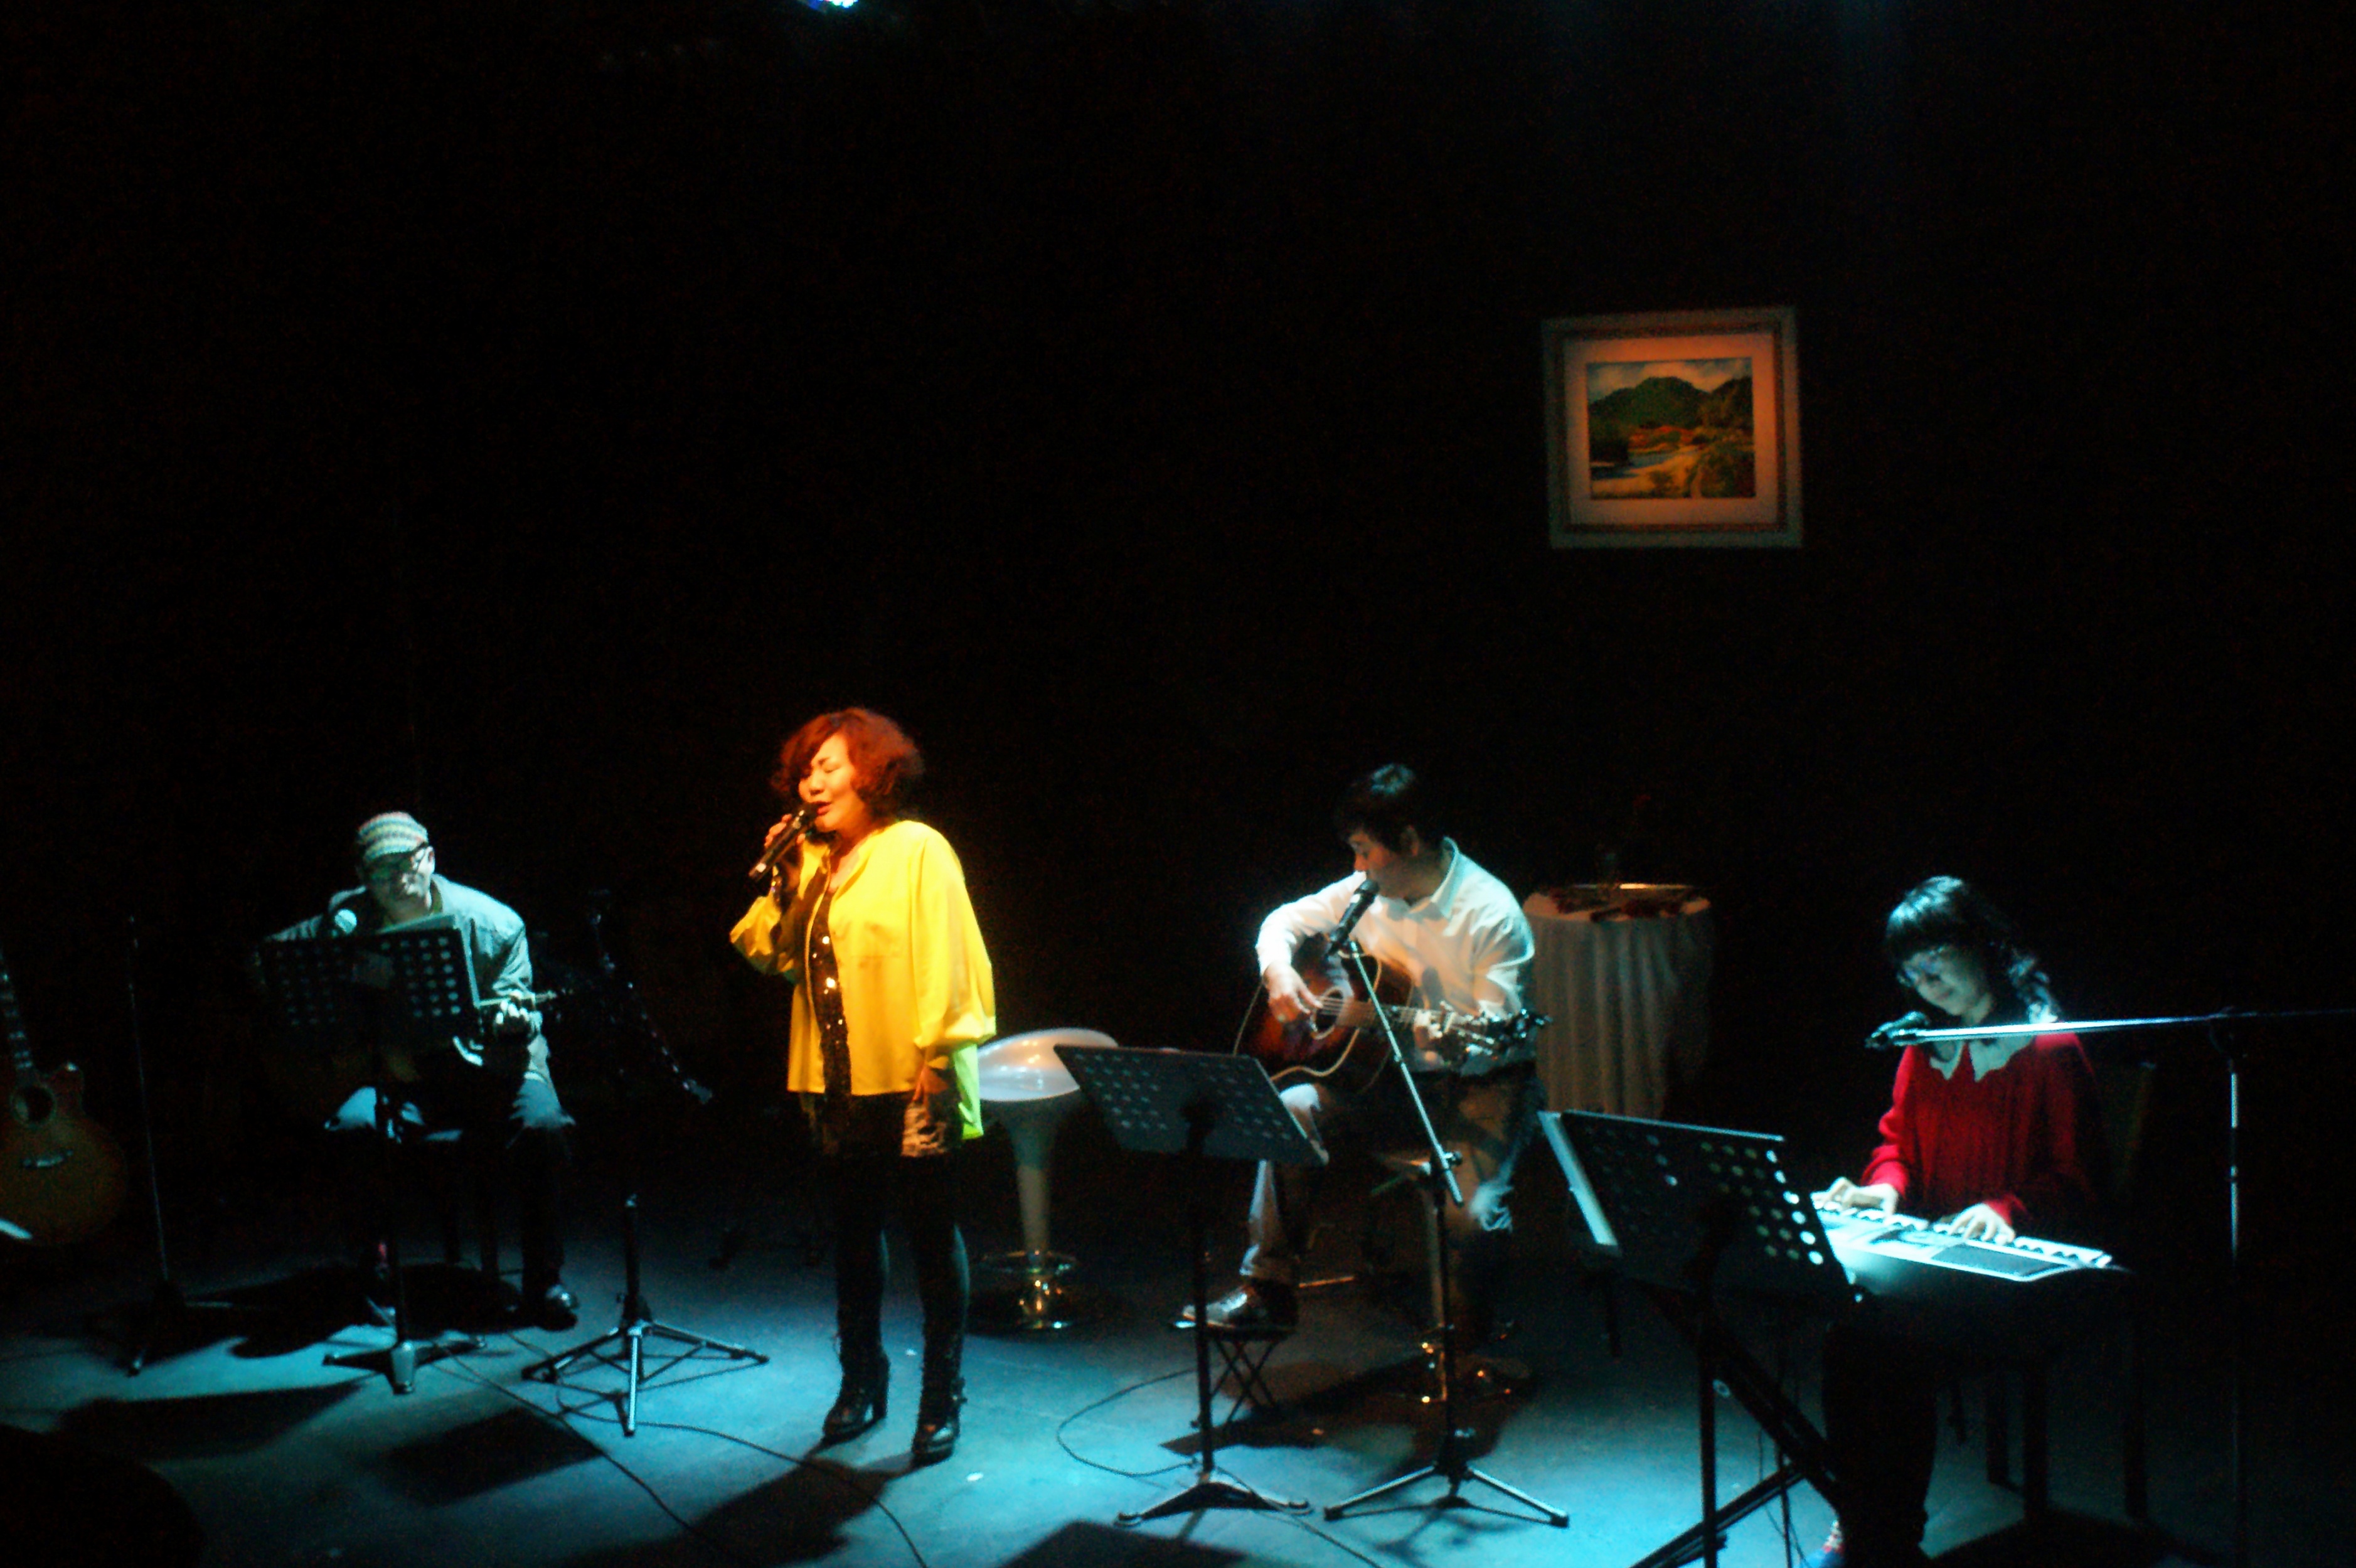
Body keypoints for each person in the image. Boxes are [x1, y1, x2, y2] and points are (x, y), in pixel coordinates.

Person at [1808, 876, 2108, 1568]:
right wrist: (1885, 1189)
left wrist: (2005, 1208)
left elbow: (2078, 1179)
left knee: (1891, 1356)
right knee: (1845, 1342)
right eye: (1909, 969)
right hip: (1937, 1264)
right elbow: (1896, 1146)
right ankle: (1861, 1518)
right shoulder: (1924, 1047)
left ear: (1983, 945)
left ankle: (1886, 1536)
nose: (1924, 980)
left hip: (2018, 1277)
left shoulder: (2048, 1049)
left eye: (1935, 957)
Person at [1186, 764, 1538, 1344]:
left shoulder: (1492, 913)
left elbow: (1493, 1035)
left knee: (1470, 1216)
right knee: (1293, 1108)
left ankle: (1465, 1342)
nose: (1356, 865)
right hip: (1388, 1082)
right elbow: (1281, 921)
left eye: (1364, 849)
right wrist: (1278, 973)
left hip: (1483, 1087)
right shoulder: (1366, 891)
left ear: (1409, 841)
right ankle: (1267, 1289)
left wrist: (1442, 1038)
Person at [730, 709, 996, 1464]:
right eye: (805, 771)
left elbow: (950, 954)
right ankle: (861, 1379)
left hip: (912, 1077)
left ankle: (941, 1393)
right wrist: (786, 882)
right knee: (852, 1235)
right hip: (834, 1082)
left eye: (828, 766)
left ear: (872, 773)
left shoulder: (916, 849)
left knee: (929, 1235)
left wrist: (939, 1057)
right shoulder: (813, 865)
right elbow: (767, 954)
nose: (811, 784)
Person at [268, 812, 577, 1330]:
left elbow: (515, 1010)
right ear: (362, 877)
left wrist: (512, 1024)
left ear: (429, 858)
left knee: (543, 1126)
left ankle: (544, 1279)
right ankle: (375, 1268)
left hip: (491, 1069)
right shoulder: (346, 920)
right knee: (353, 1126)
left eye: (405, 863)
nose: (395, 879)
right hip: (404, 1076)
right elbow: (269, 958)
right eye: (379, 870)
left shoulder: (494, 923)